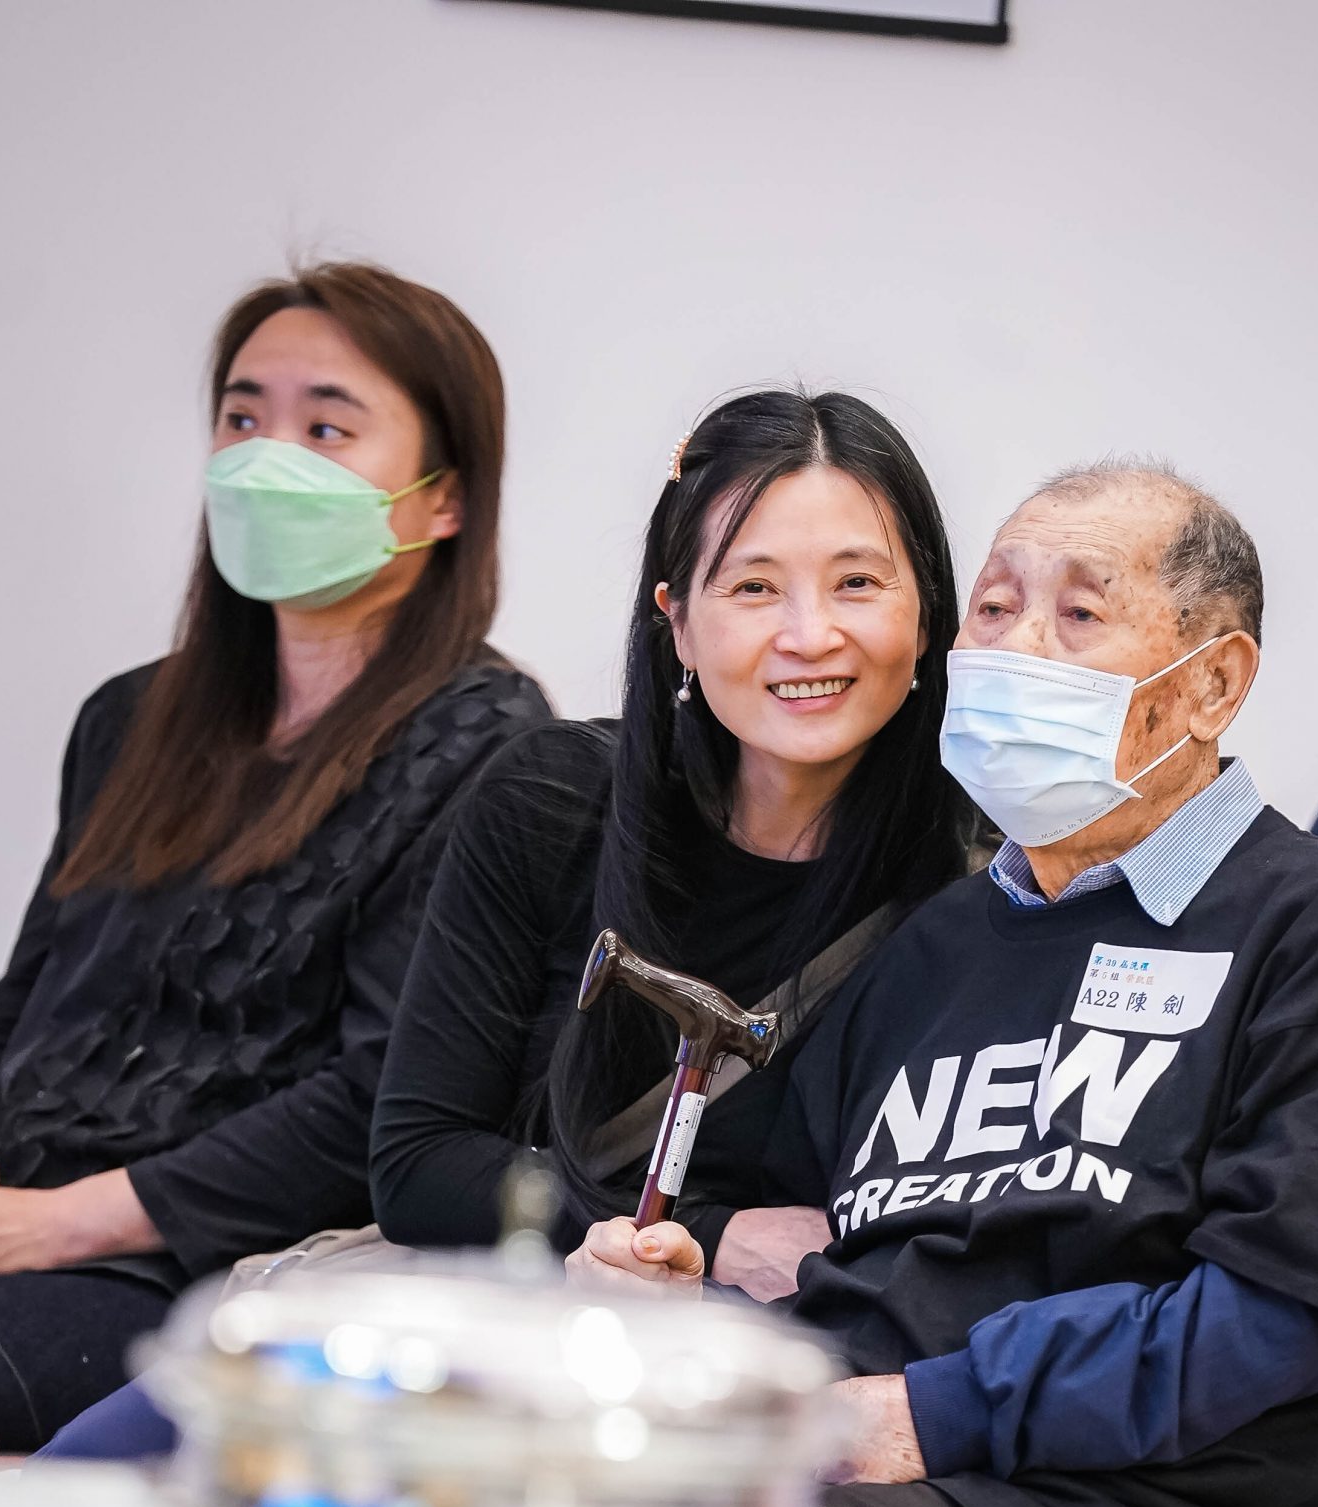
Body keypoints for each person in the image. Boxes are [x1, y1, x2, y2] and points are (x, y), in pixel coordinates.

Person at [570, 463, 1318, 1507]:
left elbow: (1281, 1318)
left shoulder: (1316, 931)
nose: (1017, 647)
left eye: (1080, 613)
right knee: (493, 1493)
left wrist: (929, 1414)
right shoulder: (936, 944)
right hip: (884, 1475)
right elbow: (825, 1255)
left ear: (1213, 684)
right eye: (995, 608)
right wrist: (696, 1304)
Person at [0, 262, 548, 1454]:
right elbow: (23, 1007)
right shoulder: (130, 716)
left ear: (443, 499)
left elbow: (376, 1100)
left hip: (190, 1274)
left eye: (326, 427)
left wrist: (57, 1225)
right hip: (9, 1210)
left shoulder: (492, 747)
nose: (264, 459)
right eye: (241, 417)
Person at [368, 388, 970, 1268]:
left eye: (857, 583)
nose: (810, 636)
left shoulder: (984, 877)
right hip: (539, 1317)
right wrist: (709, 1238)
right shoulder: (550, 802)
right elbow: (419, 1166)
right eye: (755, 587)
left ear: (924, 616)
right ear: (678, 620)